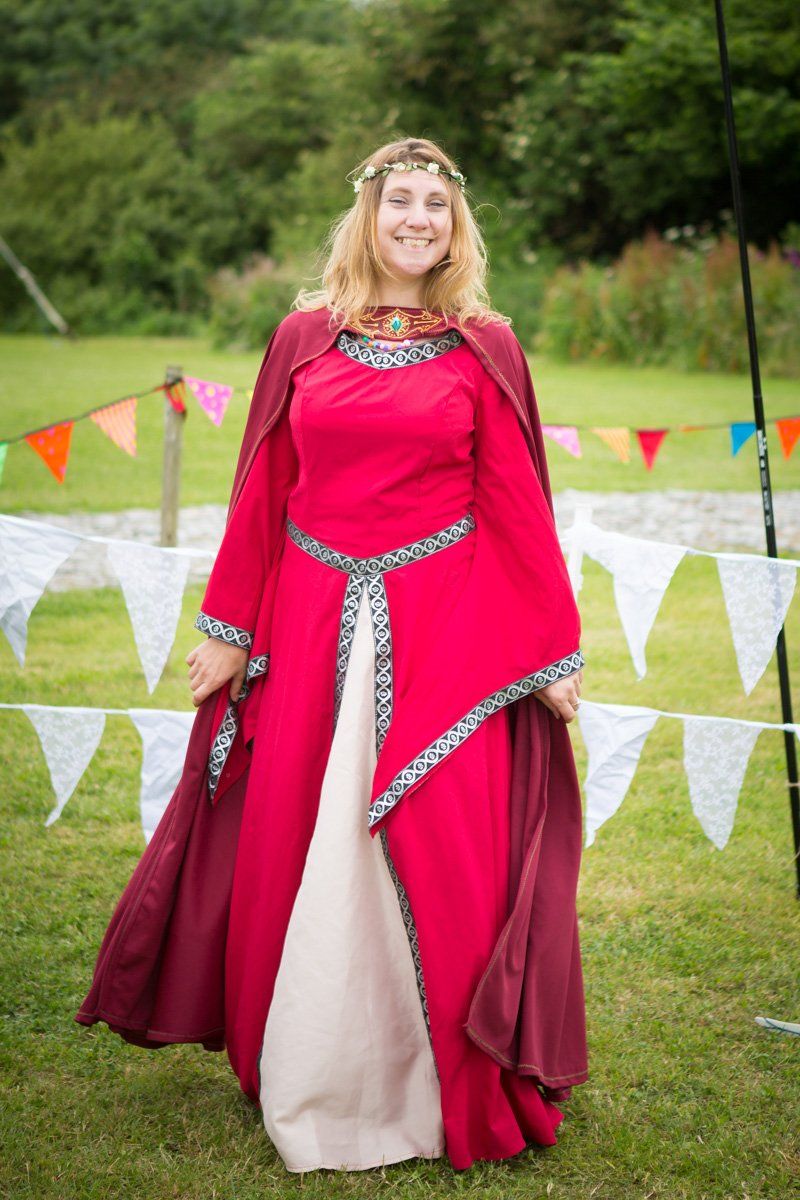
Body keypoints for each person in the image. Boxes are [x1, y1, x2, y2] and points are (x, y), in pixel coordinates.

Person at [75, 136, 588, 1173]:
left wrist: (550, 647)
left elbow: (514, 502)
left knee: (440, 843)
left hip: (440, 623)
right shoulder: (303, 337)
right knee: (297, 833)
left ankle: (428, 1081)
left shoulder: (484, 347)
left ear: (456, 226)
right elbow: (264, 485)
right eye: (399, 201)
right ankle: (308, 1059)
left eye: (435, 205)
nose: (416, 220)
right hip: (310, 620)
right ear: (367, 214)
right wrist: (228, 628)